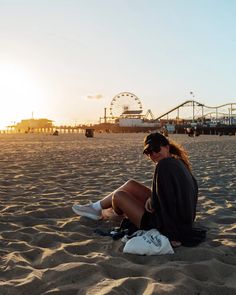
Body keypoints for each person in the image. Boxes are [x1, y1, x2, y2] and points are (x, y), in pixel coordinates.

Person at [72, 132, 199, 247]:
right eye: (148, 152)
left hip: (167, 224)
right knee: (131, 185)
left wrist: (172, 236)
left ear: (167, 146)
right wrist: (152, 198)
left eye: (156, 148)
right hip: (184, 219)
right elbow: (172, 194)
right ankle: (95, 208)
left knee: (118, 196)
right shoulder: (179, 162)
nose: (153, 154)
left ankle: (114, 212)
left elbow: (169, 203)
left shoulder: (163, 166)